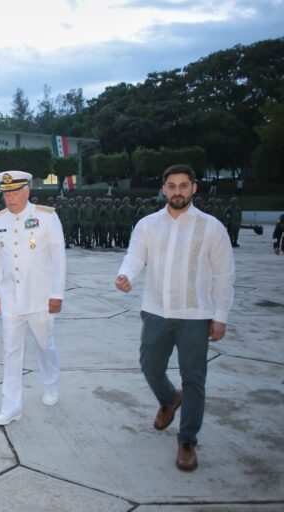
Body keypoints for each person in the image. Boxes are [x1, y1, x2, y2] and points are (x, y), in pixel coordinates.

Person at [115, 164, 235, 472]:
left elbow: (224, 275)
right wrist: (125, 275)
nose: (177, 191)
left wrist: (220, 316)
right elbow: (135, 256)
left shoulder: (212, 227)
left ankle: (186, 440)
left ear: (194, 188)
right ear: (164, 189)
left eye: (184, 185)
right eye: (172, 186)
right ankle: (169, 399)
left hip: (196, 316)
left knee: (194, 378)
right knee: (150, 366)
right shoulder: (147, 224)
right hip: (156, 311)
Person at [0, 171, 66, 425]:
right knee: (11, 351)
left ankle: (51, 382)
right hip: (11, 298)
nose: (10, 198)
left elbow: (58, 257)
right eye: (6, 193)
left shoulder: (46, 216)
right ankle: (11, 406)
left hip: (40, 297)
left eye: (14, 193)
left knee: (44, 344)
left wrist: (57, 293)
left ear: (27, 192)